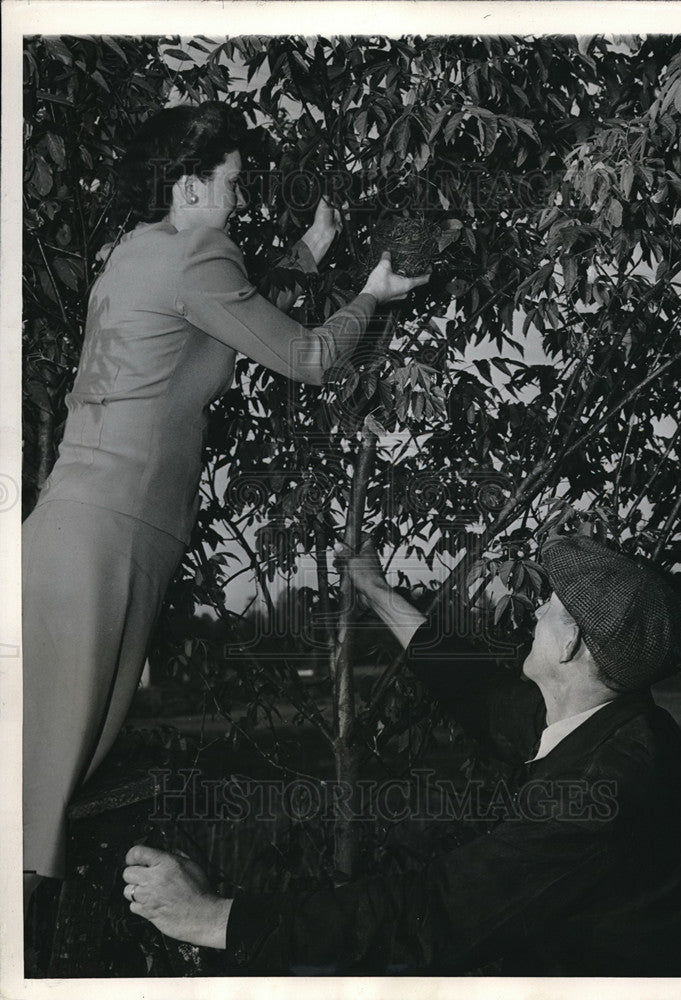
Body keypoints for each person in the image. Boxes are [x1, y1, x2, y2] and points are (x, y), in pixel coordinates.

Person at [22, 101, 429, 911]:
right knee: (39, 792)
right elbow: (307, 355)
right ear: (189, 186)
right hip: (110, 534)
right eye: (232, 185)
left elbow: (227, 315)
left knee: (46, 771)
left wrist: (312, 249)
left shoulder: (137, 252)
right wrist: (372, 297)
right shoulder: (199, 253)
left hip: (82, 528)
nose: (240, 201)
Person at [122, 533, 681, 976]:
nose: (533, 611)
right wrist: (377, 591)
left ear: (572, 641)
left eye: (549, 605)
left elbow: (434, 912)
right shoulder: (603, 721)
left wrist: (215, 918)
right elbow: (473, 690)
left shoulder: (605, 786)